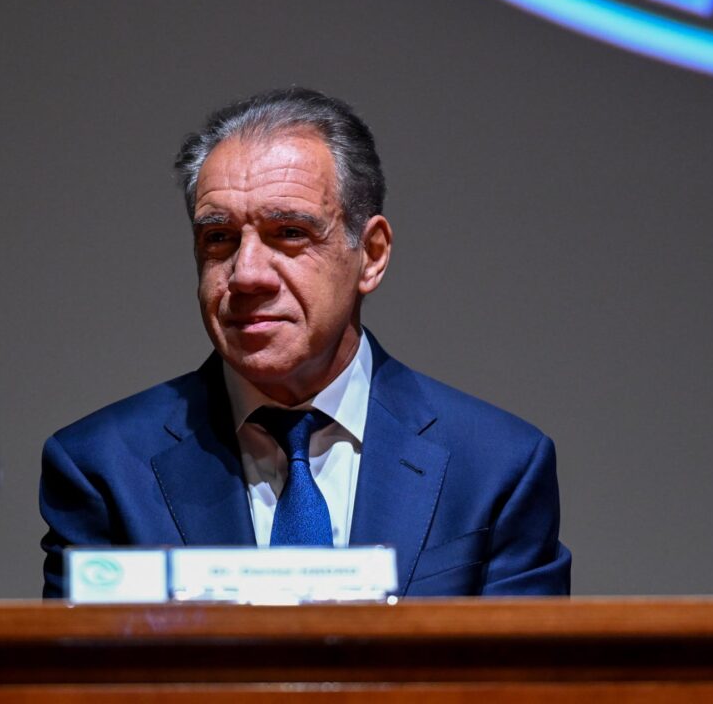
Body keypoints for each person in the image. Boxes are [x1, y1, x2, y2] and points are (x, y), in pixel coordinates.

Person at [39, 88, 571, 598]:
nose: (246, 275)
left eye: (290, 233)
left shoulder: (495, 466)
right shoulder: (102, 467)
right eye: (219, 238)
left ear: (372, 254)